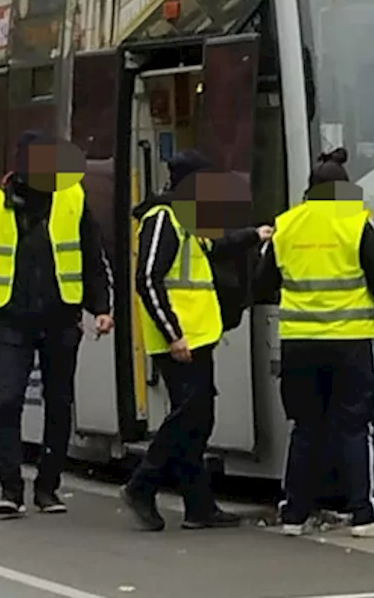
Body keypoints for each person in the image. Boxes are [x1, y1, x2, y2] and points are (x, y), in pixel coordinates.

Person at [255, 147, 374, 538]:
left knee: (305, 428)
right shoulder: (356, 223)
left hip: (299, 343)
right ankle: (365, 514)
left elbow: (262, 285)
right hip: (350, 342)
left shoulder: (286, 225)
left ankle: (294, 515)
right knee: (354, 427)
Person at [0, 130, 114, 519]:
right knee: (8, 400)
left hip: (62, 317)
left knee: (59, 403)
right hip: (12, 318)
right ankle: (10, 489)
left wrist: (101, 307)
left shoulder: (73, 197)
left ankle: (48, 487)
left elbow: (93, 255)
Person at [119, 150, 273, 532]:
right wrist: (173, 333)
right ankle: (142, 484)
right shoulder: (163, 218)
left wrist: (255, 235)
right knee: (188, 415)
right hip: (180, 339)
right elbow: (147, 279)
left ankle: (198, 506)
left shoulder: (186, 219)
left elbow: (212, 250)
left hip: (198, 335)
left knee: (198, 419)